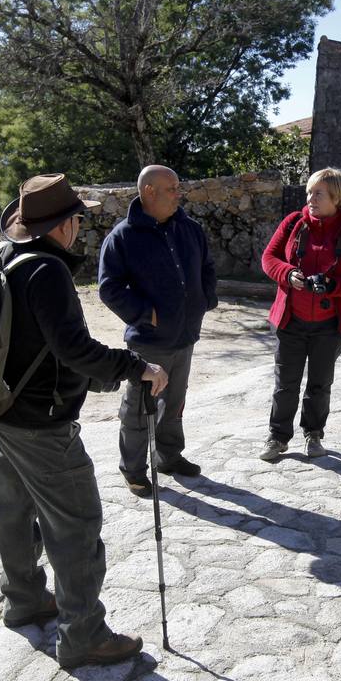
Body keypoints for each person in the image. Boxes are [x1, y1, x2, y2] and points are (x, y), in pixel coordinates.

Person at [0, 173, 169, 670]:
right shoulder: (45, 271)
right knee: (76, 524)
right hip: (42, 424)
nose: (80, 228)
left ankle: (25, 599)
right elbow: (73, 349)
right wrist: (137, 368)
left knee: (14, 511)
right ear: (65, 225)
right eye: (77, 219)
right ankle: (83, 635)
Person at [98, 165, 217, 498]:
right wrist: (146, 315)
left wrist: (204, 301)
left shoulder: (190, 228)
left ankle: (168, 456)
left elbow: (207, 267)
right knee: (140, 410)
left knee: (175, 403)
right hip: (149, 343)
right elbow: (110, 288)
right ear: (148, 191)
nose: (179, 193)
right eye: (172, 188)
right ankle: (133, 470)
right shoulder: (122, 237)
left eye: (178, 187)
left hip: (185, 336)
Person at [259, 167, 341, 461]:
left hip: (330, 324)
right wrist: (288, 274)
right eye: (309, 192)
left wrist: (334, 286)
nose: (310, 198)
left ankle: (314, 435)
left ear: (336, 198)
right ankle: (278, 437)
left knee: (319, 384)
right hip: (291, 321)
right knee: (285, 383)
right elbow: (268, 258)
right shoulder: (293, 224)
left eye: (318, 193)